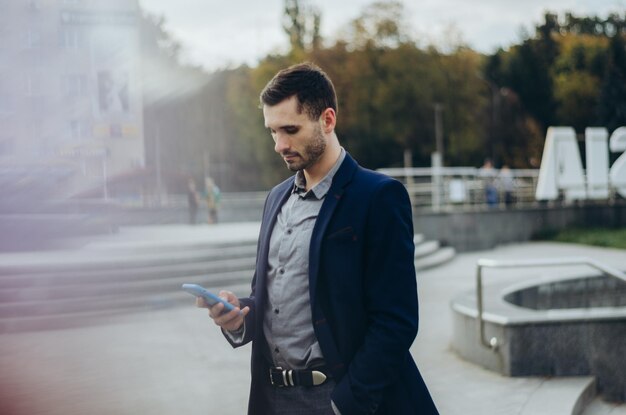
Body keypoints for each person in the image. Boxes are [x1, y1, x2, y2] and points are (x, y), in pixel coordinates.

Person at [196, 62, 438, 414]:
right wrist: (240, 317)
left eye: (290, 129)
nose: (279, 144)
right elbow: (276, 299)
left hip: (340, 398)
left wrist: (347, 402)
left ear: (327, 120)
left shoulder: (379, 196)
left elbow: (397, 320)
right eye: (272, 131)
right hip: (273, 398)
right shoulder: (276, 198)